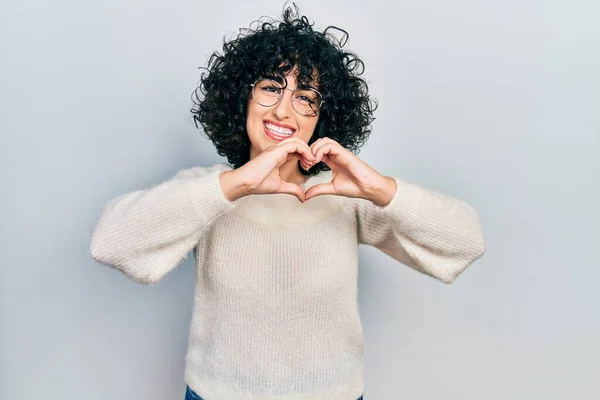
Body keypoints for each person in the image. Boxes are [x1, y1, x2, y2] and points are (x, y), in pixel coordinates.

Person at [90, 6, 486, 400]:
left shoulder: (343, 195)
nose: (283, 110)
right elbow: (110, 243)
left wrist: (382, 189)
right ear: (241, 97)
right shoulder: (209, 191)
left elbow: (465, 242)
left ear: (322, 116)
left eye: (305, 96)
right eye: (271, 87)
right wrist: (235, 185)